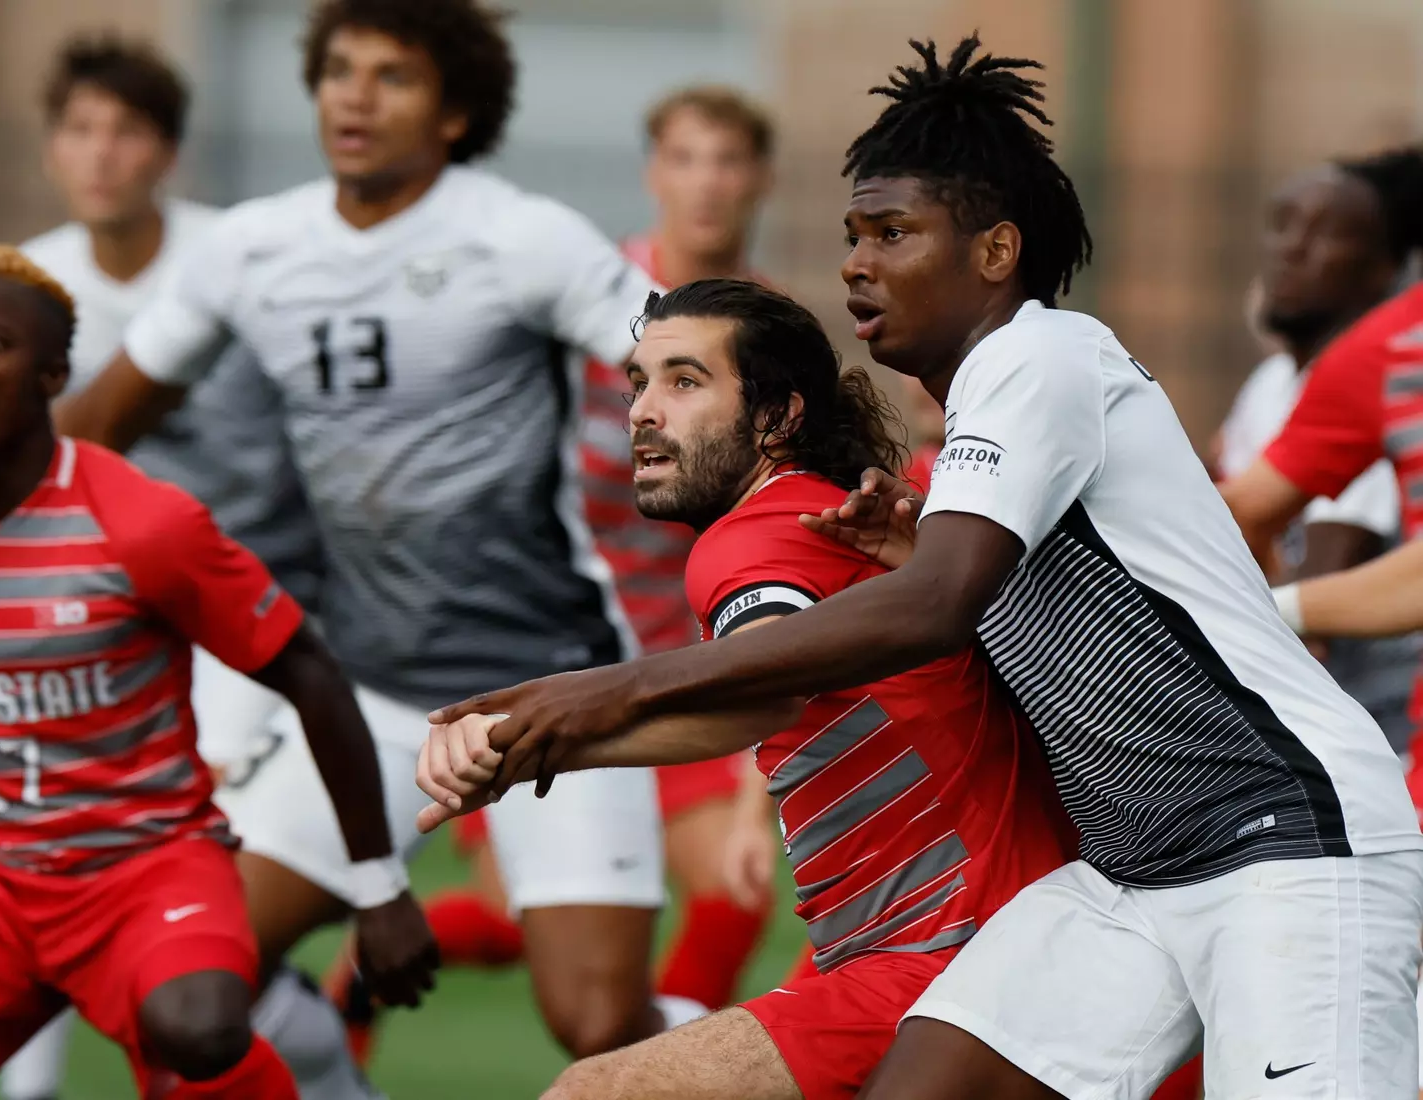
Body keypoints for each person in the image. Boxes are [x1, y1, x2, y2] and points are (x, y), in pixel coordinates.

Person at [427, 37, 1423, 1100]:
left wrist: (599, 692)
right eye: (854, 233)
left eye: (892, 232)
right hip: (1135, 873)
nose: (857, 261)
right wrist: (912, 540)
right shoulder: (968, 438)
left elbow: (937, 607)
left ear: (996, 251)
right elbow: (979, 599)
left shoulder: (1037, 355)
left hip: (1288, 845)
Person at [52, 0, 680, 1062]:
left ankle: (790, 1056)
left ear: (454, 112)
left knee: (599, 1026)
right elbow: (98, 423)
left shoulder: (518, 235)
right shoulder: (256, 248)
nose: (354, 94)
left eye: (392, 76)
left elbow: (690, 353)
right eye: (339, 69)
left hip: (551, 690)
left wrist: (767, 468)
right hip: (371, 693)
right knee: (192, 983)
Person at [0, 246, 436, 1100]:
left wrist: (379, 888)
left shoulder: (143, 524)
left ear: (52, 376)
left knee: (198, 1027)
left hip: (146, 867)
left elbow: (307, 671)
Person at [416, 277, 1076, 1100]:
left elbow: (765, 684)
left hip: (957, 952)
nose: (643, 412)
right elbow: (758, 696)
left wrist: (551, 727)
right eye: (639, 383)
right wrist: (540, 745)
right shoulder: (820, 515)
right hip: (974, 943)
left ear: (776, 417)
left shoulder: (751, 537)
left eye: (685, 382)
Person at [408, 84, 778, 1043]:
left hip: (681, 655)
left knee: (736, 891)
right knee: (506, 916)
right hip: (553, 651)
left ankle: (663, 1066)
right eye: (687, 159)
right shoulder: (595, 302)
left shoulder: (771, 334)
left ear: (760, 180)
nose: (708, 184)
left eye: (728, 160)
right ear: (655, 173)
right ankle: (347, 1000)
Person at [1213, 151, 1423, 755]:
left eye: (1328, 233)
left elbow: (1324, 567)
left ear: (1386, 266)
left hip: (1370, 710)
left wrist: (1266, 613)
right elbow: (1234, 514)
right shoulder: (1328, 371)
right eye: (1283, 223)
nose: (1292, 249)